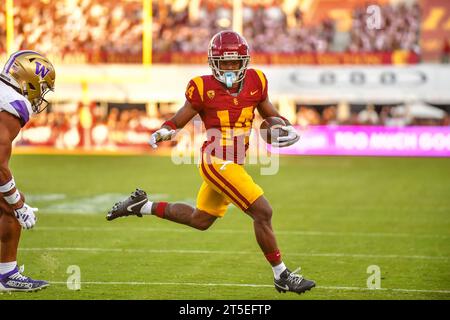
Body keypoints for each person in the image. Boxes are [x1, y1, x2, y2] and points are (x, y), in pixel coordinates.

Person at [107, 31, 316, 294]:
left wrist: (287, 126)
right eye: (224, 62)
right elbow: (180, 118)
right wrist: (164, 130)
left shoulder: (257, 80)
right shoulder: (202, 87)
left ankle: (141, 205)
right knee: (263, 212)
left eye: (234, 62)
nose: (229, 68)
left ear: (244, 61)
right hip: (215, 160)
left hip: (234, 163)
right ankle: (282, 275)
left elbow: (269, 114)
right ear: (213, 62)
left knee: (201, 219)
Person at [0, 50, 55, 292]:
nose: (40, 93)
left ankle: (7, 275)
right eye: (41, 86)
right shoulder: (13, 103)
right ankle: (6, 275)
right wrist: (17, 203)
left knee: (7, 208)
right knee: (12, 206)